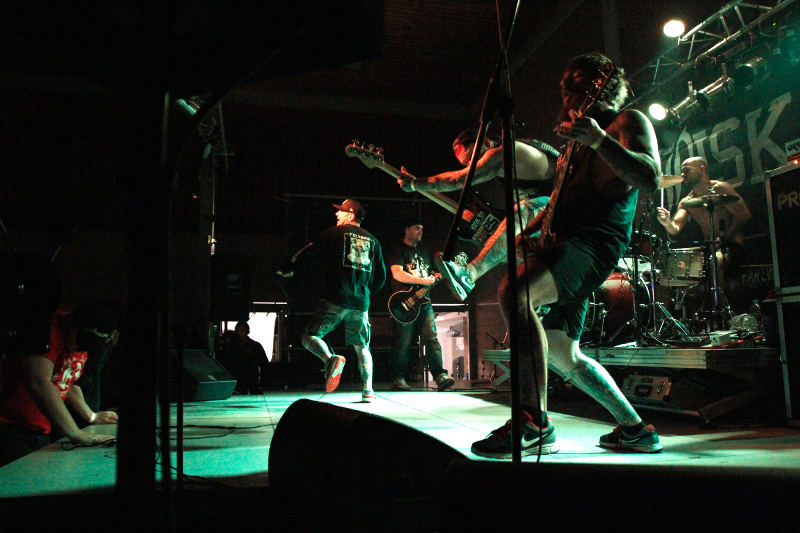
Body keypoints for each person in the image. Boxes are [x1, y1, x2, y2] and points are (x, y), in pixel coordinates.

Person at [400, 52, 663, 457]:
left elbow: (650, 177)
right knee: (562, 353)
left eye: (576, 85)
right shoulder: (571, 147)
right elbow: (556, 202)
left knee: (515, 290)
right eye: (565, 88)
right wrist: (529, 235)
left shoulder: (627, 122)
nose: (567, 94)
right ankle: (636, 429)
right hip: (564, 248)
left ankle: (533, 423)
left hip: (591, 245)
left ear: (602, 87)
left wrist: (600, 140)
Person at [399, 128, 553, 302]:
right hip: (552, 216)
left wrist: (416, 184)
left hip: (559, 206)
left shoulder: (502, 153)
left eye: (473, 158)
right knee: (508, 246)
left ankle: (469, 274)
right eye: (467, 165)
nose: (473, 166)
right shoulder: (510, 160)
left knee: (522, 211)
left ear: (486, 142)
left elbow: (458, 180)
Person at [0, 306, 119, 466]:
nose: (79, 348)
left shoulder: (78, 342)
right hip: (13, 428)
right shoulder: (44, 331)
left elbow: (65, 381)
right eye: (81, 342)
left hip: (41, 429)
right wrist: (76, 433)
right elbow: (40, 382)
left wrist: (91, 416)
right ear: (72, 324)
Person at [300, 199, 386, 402]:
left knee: (309, 337)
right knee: (362, 346)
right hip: (360, 302)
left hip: (336, 297)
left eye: (341, 211)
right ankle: (368, 392)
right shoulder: (374, 241)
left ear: (351, 214)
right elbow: (381, 276)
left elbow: (311, 257)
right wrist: (365, 293)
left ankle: (330, 360)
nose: (337, 214)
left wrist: (290, 270)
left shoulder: (333, 234)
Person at [656, 156, 751, 290]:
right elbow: (675, 228)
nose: (683, 174)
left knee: (716, 260)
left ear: (702, 168)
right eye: (681, 171)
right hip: (708, 249)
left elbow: (744, 215)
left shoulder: (720, 188)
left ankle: (721, 301)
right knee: (679, 269)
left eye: (686, 170)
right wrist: (667, 223)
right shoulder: (686, 201)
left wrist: (721, 240)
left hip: (731, 245)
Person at [386, 217, 455, 392]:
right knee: (403, 342)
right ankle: (398, 378)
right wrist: (422, 281)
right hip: (404, 304)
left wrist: (439, 275)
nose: (420, 231)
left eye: (422, 228)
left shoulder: (424, 251)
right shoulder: (398, 250)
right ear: (407, 229)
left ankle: (440, 376)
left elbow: (431, 274)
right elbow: (397, 274)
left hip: (424, 303)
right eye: (417, 228)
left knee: (431, 339)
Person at [220, 321, 269, 394]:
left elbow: (264, 363)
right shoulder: (230, 347)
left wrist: (262, 381)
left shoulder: (255, 345)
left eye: (242, 330)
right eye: (237, 330)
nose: (239, 333)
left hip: (252, 380)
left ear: (247, 331)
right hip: (237, 381)